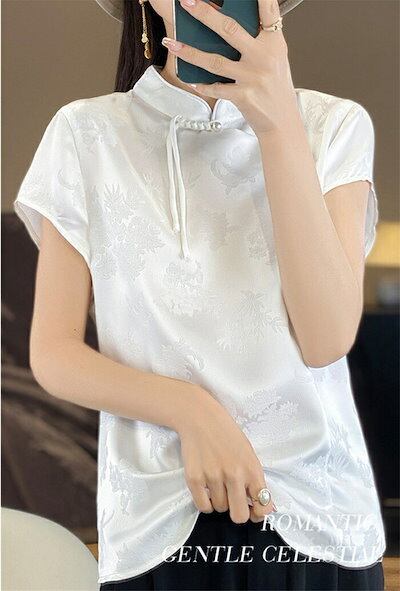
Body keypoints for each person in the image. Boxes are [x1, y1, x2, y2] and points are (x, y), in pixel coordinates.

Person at [13, 0, 387, 589]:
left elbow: (326, 339)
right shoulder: (84, 134)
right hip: (158, 528)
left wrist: (277, 125)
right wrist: (191, 411)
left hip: (318, 525)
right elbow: (54, 353)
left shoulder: (333, 125)